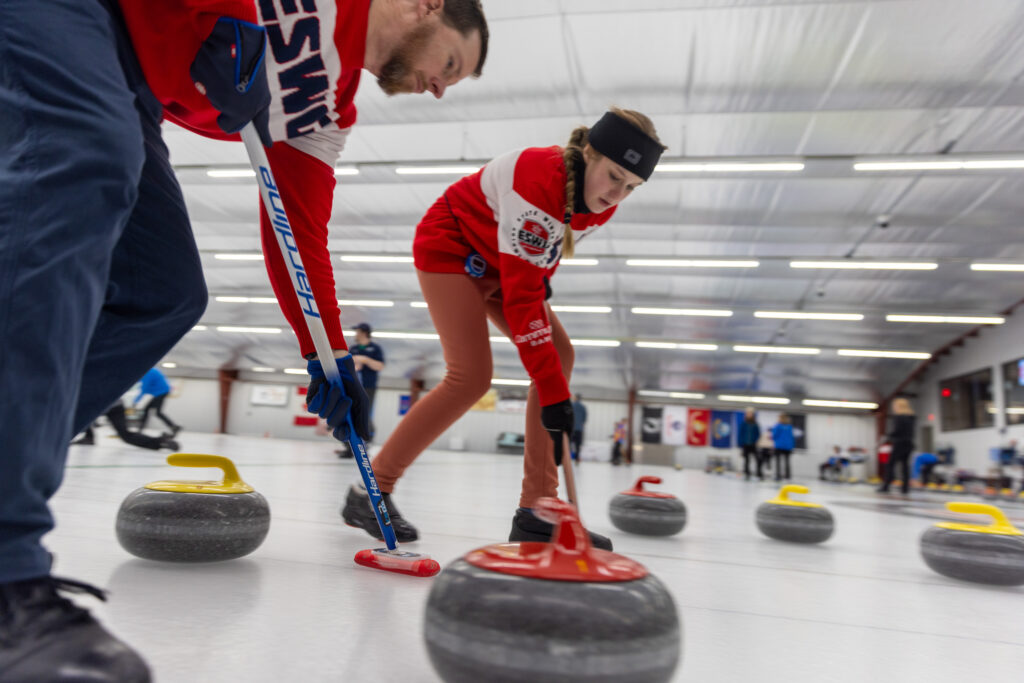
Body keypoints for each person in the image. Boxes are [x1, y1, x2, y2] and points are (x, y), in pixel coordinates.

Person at [0, 0, 489, 679]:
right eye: (451, 65)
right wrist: (215, 10)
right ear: (426, 7)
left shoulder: (326, 114)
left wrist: (328, 352)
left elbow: (298, 237)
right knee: (85, 156)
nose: (439, 86)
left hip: (128, 75)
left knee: (163, 293)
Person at [339, 109, 666, 550]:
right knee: (470, 376)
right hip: (451, 249)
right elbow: (523, 297)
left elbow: (536, 271)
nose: (618, 193)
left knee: (559, 357)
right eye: (614, 176)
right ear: (589, 153)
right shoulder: (536, 179)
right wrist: (554, 396)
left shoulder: (596, 207)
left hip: (500, 265)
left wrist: (554, 387)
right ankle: (370, 490)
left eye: (632, 187)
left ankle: (537, 509)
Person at [73, 403, 180, 451]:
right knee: (126, 435)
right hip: (114, 404)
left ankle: (161, 442)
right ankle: (89, 437)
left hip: (111, 404)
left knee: (126, 436)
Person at [878, 397, 916, 494]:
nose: (893, 408)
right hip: (909, 444)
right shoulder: (911, 417)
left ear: (898, 406)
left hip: (899, 444)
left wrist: (888, 436)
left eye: (894, 406)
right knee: (905, 466)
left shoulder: (899, 417)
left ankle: (886, 485)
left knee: (890, 464)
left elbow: (897, 431)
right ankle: (905, 488)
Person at [134, 367, 181, 435]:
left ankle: (174, 427)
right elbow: (143, 384)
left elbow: (144, 388)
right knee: (148, 410)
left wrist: (136, 400)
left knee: (156, 411)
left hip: (161, 392)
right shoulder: (149, 370)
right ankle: (174, 426)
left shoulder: (148, 372)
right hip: (159, 392)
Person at [738, 408, 761, 480]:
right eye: (747, 414)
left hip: (753, 444)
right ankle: (747, 473)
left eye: (750, 413)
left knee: (758, 458)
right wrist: (741, 443)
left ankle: (758, 473)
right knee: (747, 460)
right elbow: (741, 434)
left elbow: (758, 434)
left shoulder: (755, 424)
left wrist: (755, 440)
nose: (748, 415)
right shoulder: (743, 424)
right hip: (745, 444)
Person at [770, 413, 795, 481]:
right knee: (787, 462)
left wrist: (772, 438)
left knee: (778, 461)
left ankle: (778, 475)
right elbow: (791, 437)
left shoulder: (778, 426)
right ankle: (787, 476)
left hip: (779, 446)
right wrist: (792, 446)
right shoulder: (789, 427)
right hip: (788, 446)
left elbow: (774, 436)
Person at [570, 393, 587, 462]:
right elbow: (584, 418)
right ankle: (577, 457)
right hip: (579, 429)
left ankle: (569, 457)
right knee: (578, 444)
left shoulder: (571, 405)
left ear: (576, 398)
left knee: (570, 442)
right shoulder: (583, 407)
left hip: (571, 428)